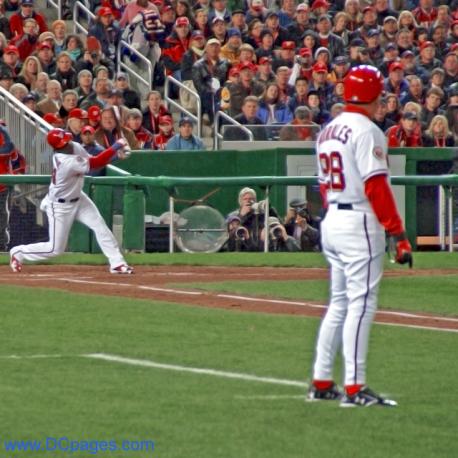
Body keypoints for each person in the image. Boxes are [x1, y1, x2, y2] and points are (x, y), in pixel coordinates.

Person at [307, 65, 412, 407]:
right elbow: (376, 186)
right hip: (358, 221)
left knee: (338, 303)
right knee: (361, 304)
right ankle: (354, 387)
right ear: (371, 95)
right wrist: (398, 232)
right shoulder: (367, 130)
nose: (382, 100)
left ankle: (322, 380)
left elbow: (323, 186)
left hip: (333, 217)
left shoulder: (328, 129)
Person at [9, 128, 133, 274]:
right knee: (55, 249)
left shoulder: (74, 146)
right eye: (63, 142)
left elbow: (93, 161)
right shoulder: (64, 161)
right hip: (60, 206)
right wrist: (116, 146)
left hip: (78, 198)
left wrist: (116, 156)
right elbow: (95, 163)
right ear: (57, 147)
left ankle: (117, 263)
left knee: (100, 226)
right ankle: (19, 252)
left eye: (67, 140)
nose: (67, 143)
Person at [0, 121, 17, 251]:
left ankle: (1, 248)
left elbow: (8, 151)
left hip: (2, 186)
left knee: (2, 220)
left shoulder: (2, 131)